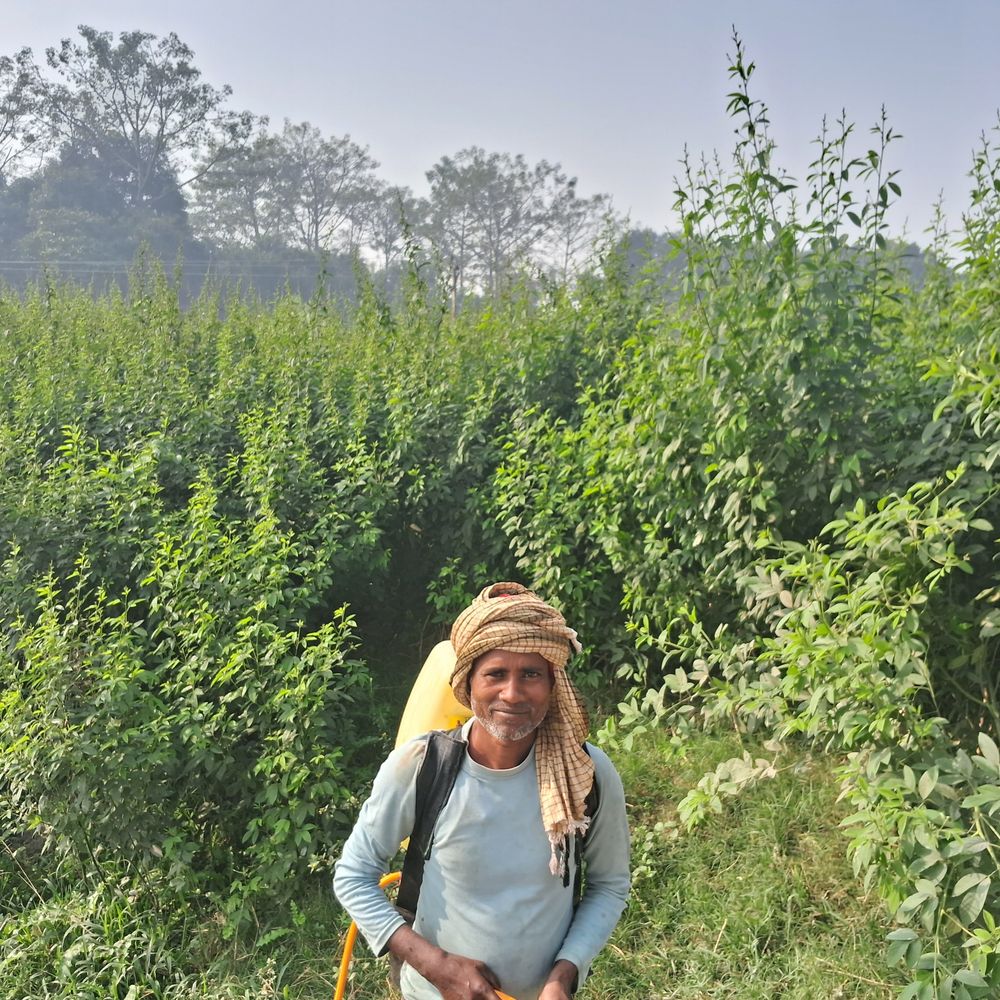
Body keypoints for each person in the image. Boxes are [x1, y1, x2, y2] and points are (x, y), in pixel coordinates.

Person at [333, 582, 630, 1000]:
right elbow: (354, 875)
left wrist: (564, 976)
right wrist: (439, 968)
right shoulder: (422, 766)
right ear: (468, 683)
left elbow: (609, 885)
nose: (513, 693)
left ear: (553, 684)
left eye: (531, 674)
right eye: (495, 674)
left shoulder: (584, 773)